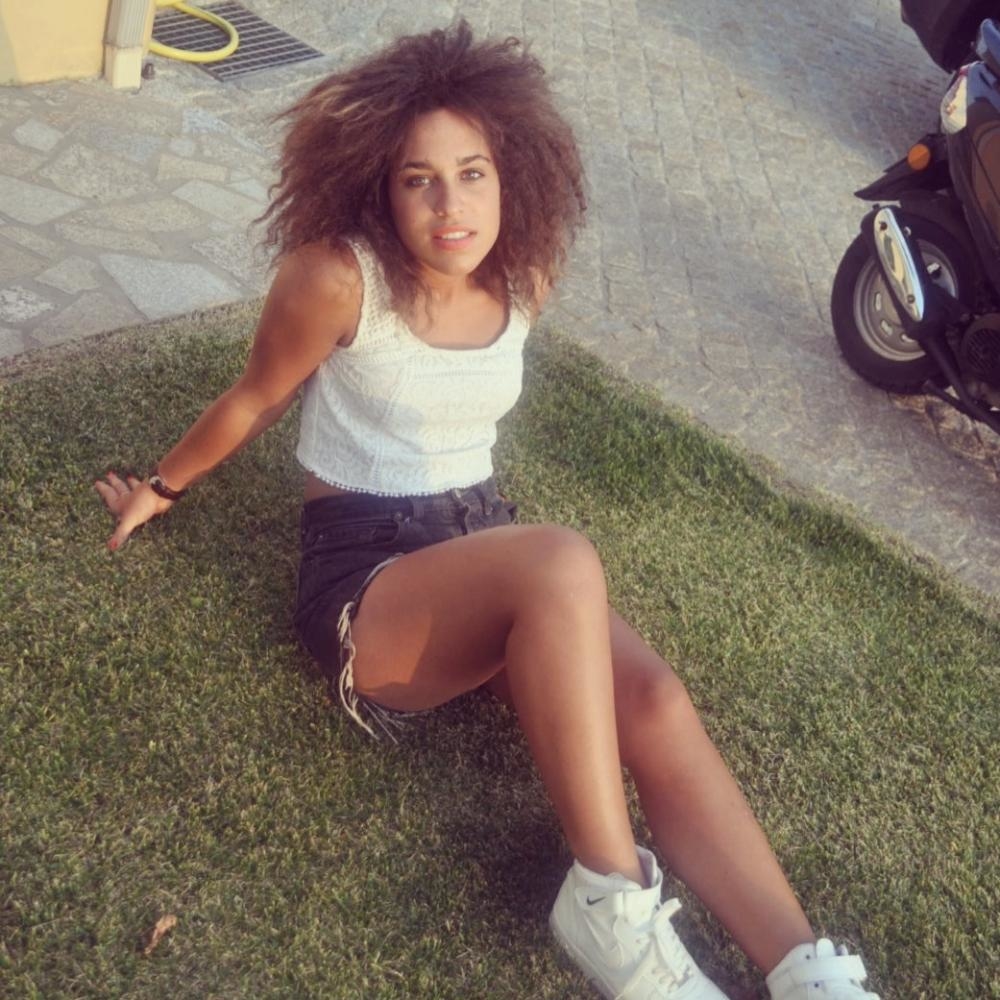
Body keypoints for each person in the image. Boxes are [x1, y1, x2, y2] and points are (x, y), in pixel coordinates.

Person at [96, 21, 879, 1000]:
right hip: (369, 587)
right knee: (559, 559)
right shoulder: (338, 278)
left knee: (653, 701)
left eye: (472, 173)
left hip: (482, 553)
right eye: (418, 179)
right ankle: (607, 900)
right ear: (379, 185)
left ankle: (804, 971)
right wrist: (161, 487)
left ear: (512, 174)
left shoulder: (524, 274)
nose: (450, 205)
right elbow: (255, 395)